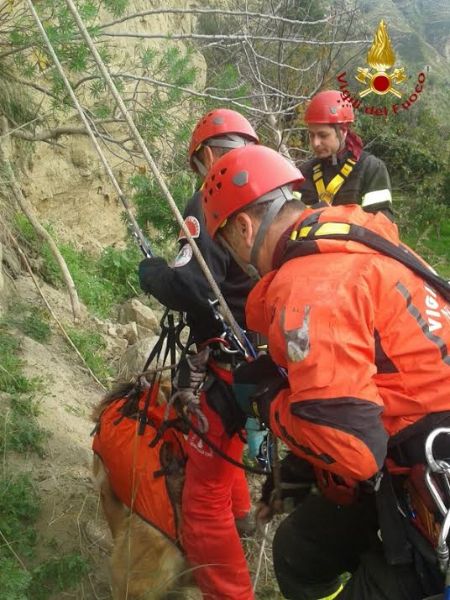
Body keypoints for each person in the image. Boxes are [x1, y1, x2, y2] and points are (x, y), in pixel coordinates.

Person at [202, 143, 450, 600]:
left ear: (243, 227)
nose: (234, 258)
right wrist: (304, 464)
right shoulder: (353, 236)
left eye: (227, 243)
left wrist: (270, 405)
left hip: (429, 490)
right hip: (408, 454)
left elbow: (355, 451)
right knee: (298, 550)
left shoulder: (312, 285)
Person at [139, 108, 259, 600]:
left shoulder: (211, 196)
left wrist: (151, 272)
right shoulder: (268, 193)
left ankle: (231, 592)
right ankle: (244, 516)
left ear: (207, 156)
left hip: (232, 361)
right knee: (228, 439)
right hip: (263, 357)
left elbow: (189, 286)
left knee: (202, 499)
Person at [299, 90, 393, 218]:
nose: (315, 143)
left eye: (323, 135)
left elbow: (381, 222)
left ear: (343, 131)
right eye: (311, 135)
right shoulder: (304, 173)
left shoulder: (371, 169)